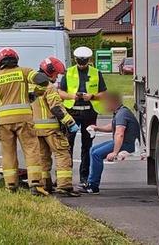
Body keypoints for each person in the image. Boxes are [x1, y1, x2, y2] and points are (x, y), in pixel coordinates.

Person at [0, 48, 50, 195]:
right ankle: (35, 185)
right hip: (24, 119)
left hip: (3, 121)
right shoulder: (25, 72)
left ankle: (11, 185)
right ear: (16, 59)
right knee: (31, 150)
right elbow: (43, 80)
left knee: (8, 153)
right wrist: (35, 94)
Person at [58, 46, 107, 187]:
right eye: (79, 61)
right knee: (67, 145)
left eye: (84, 62)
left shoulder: (96, 73)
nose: (81, 64)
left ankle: (84, 177)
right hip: (72, 113)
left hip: (89, 113)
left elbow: (104, 93)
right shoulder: (68, 72)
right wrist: (72, 96)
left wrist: (92, 96)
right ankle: (64, 178)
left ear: (89, 60)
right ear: (75, 59)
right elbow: (60, 92)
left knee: (87, 146)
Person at [32, 57, 81, 197]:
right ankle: (64, 186)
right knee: (63, 155)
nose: (57, 77)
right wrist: (70, 123)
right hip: (51, 129)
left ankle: (45, 185)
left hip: (35, 129)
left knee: (42, 158)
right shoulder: (49, 86)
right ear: (50, 71)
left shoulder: (30, 85)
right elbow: (56, 108)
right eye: (56, 74)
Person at [80, 91, 140, 194]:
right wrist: (98, 128)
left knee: (96, 154)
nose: (104, 105)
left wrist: (114, 153)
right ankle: (91, 182)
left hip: (127, 145)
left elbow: (119, 134)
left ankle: (93, 186)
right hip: (124, 142)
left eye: (106, 102)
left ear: (113, 102)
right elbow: (113, 127)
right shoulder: (120, 112)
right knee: (93, 149)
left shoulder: (122, 114)